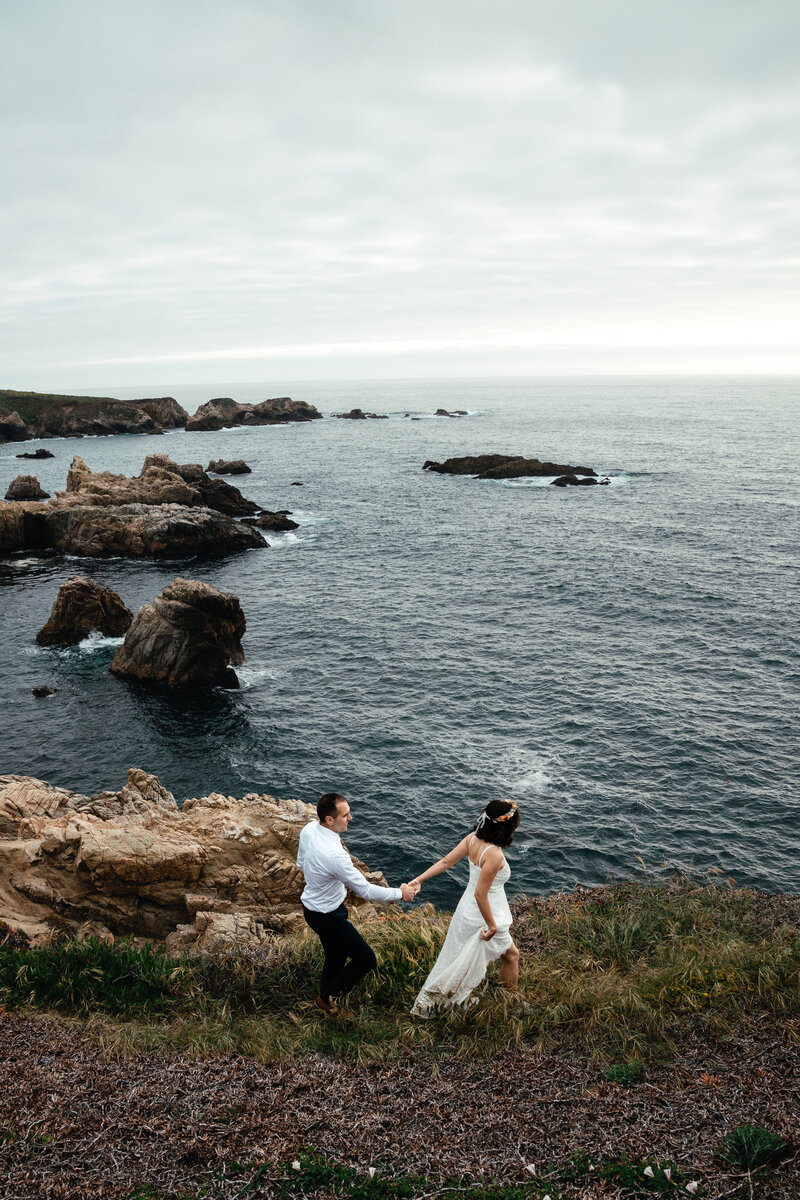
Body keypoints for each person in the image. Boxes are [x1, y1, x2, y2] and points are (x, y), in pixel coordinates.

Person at [297, 791, 419, 1016]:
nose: (351, 818)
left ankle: (327, 999)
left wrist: (320, 881)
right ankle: (326, 1000)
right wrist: (401, 894)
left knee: (336, 955)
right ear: (329, 820)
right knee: (366, 959)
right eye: (346, 815)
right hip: (328, 915)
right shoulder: (335, 855)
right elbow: (365, 890)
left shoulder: (308, 829)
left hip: (312, 909)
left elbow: (301, 862)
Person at [410, 799, 520, 1016]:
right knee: (511, 956)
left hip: (466, 910)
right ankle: (513, 1006)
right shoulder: (494, 854)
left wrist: (417, 880)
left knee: (461, 958)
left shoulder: (472, 840)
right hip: (485, 913)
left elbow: (445, 862)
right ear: (505, 828)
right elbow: (481, 894)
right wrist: (492, 926)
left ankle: (446, 1001)